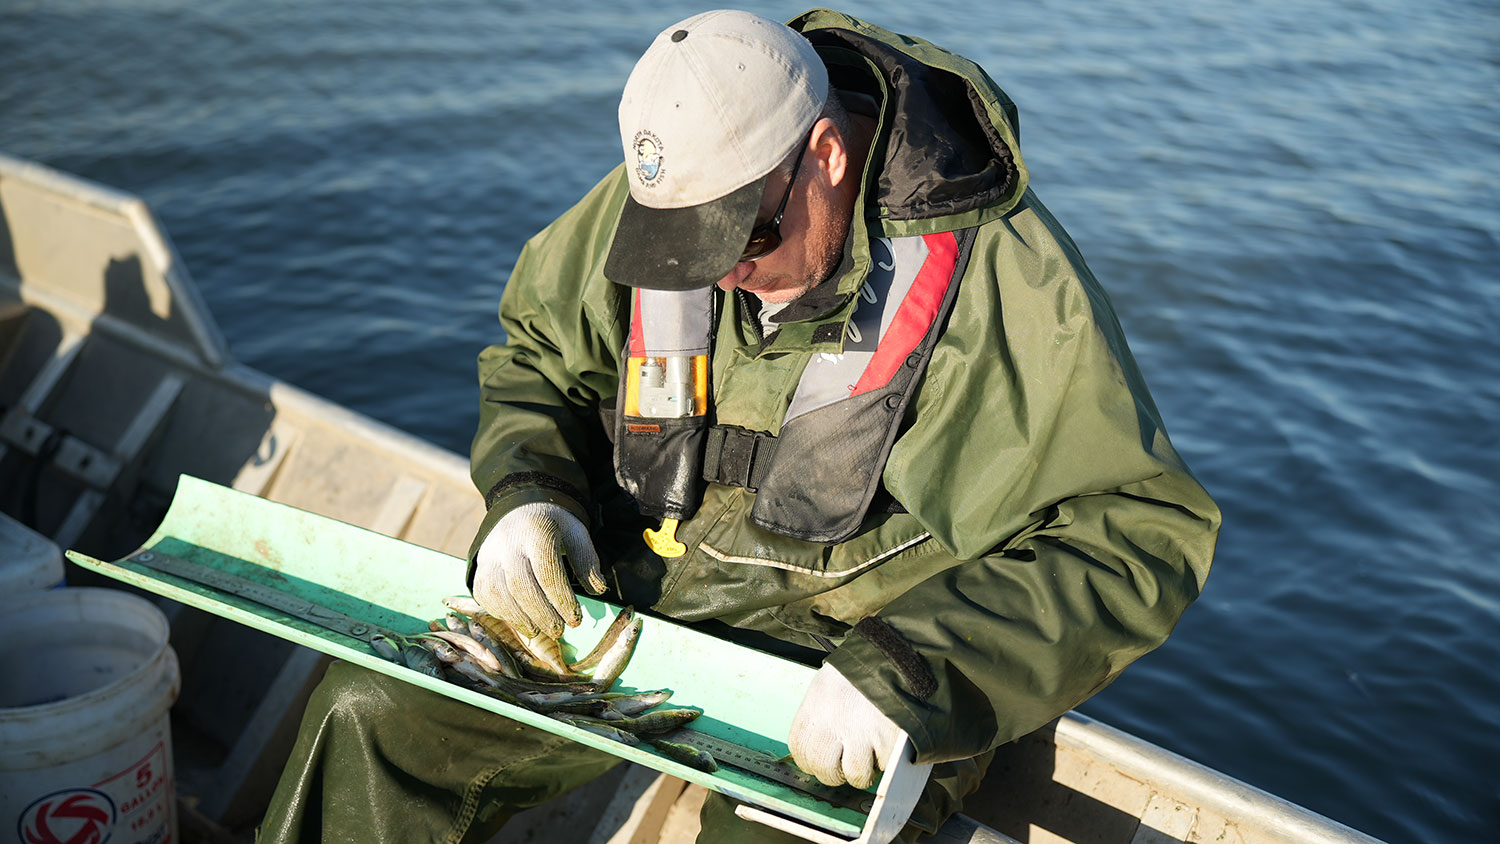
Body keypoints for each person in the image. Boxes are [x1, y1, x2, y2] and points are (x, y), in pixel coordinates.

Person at [260, 9, 1220, 843]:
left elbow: (1135, 531)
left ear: (826, 157)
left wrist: (915, 674)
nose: (718, 276)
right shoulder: (681, 175)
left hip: (865, 649)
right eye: (684, 247)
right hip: (640, 592)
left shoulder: (1009, 278)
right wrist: (531, 497)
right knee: (370, 717)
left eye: (744, 237)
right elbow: (540, 357)